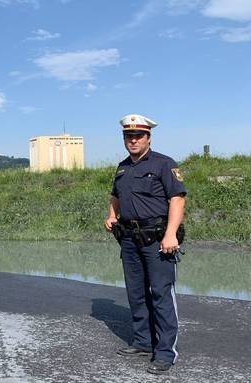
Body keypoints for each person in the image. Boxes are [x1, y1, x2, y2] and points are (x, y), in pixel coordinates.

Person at [104, 114, 186, 375]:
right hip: (129, 239)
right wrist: (111, 216)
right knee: (136, 293)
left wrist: (171, 234)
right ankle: (142, 342)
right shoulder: (122, 168)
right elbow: (115, 196)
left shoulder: (164, 164)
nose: (133, 140)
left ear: (148, 137)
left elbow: (177, 200)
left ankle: (165, 352)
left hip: (157, 239)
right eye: (129, 136)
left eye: (138, 136)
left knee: (161, 294)